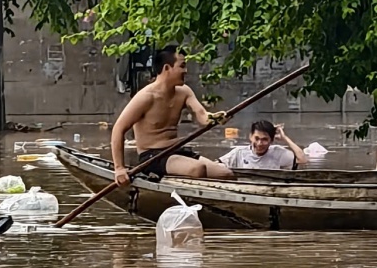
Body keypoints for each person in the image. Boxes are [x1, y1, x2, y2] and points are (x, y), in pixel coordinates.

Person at [112, 45, 233, 185]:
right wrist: (119, 168)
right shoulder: (145, 97)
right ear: (167, 68)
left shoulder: (184, 92)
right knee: (197, 169)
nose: (186, 71)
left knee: (225, 174)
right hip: (153, 157)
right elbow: (118, 129)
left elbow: (203, 116)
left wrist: (215, 118)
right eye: (182, 66)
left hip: (178, 151)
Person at [220, 119, 307, 170]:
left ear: (271, 140)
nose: (259, 143)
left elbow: (302, 160)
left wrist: (284, 138)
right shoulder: (239, 153)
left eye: (264, 139)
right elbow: (218, 165)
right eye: (256, 138)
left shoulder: (278, 153)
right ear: (250, 137)